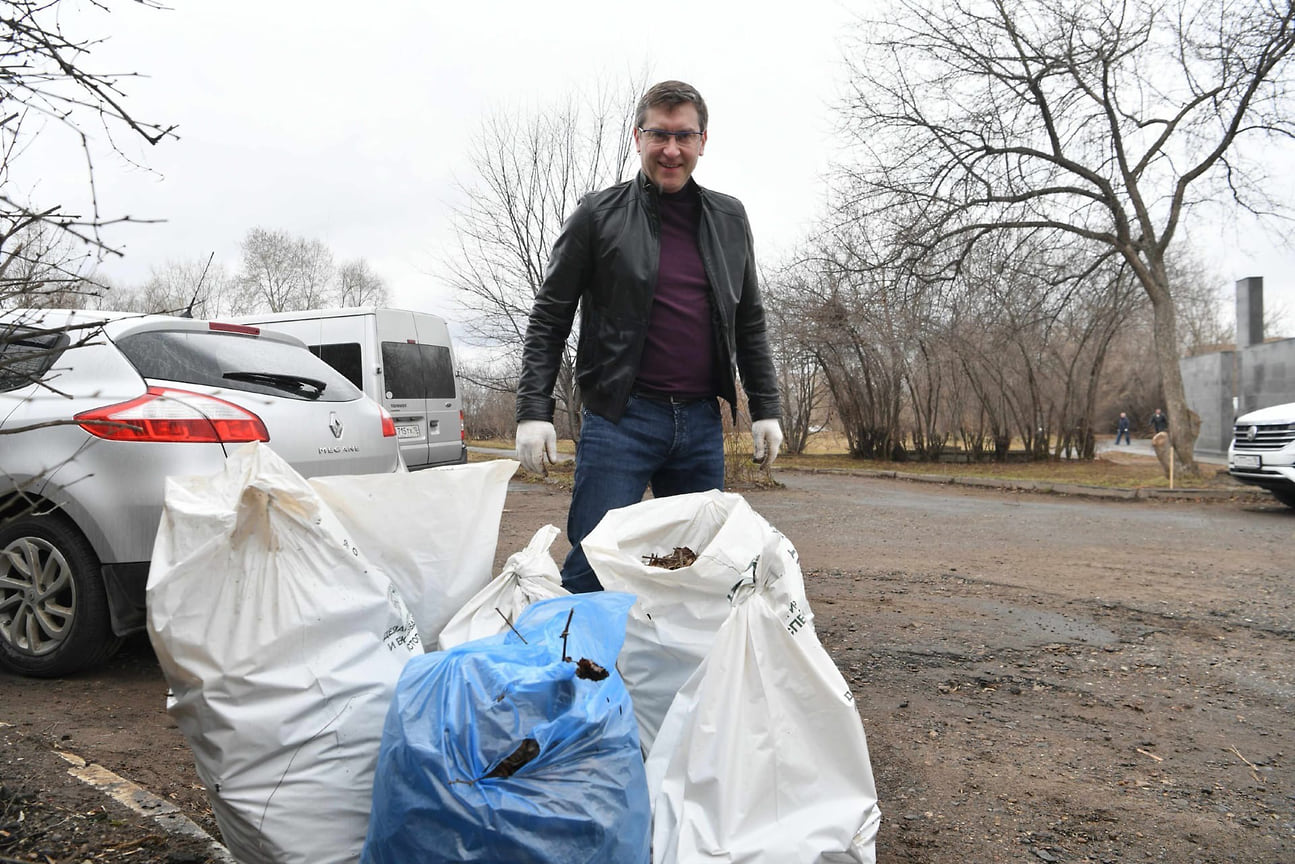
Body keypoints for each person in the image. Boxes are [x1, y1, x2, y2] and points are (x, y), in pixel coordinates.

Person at [515, 80, 783, 593]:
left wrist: (766, 406)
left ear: (703, 140)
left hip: (702, 424)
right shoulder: (599, 215)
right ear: (637, 137)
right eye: (659, 135)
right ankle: (578, 672)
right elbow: (550, 316)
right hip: (622, 420)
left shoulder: (730, 218)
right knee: (594, 561)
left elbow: (749, 319)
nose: (671, 150)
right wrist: (533, 410)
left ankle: (671, 672)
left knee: (697, 569)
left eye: (684, 136)